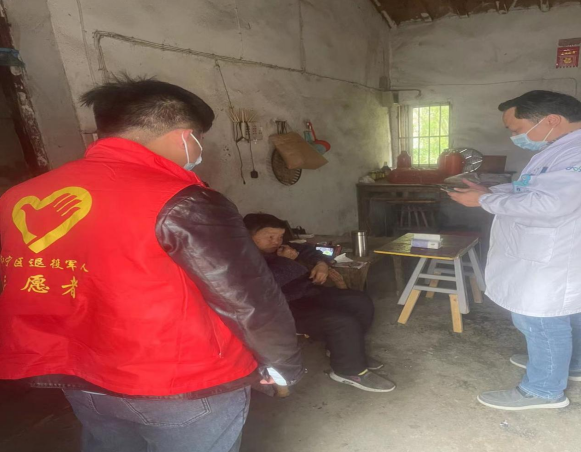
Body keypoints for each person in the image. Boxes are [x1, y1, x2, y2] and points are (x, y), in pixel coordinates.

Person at [0, 76, 304, 452]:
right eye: (200, 138)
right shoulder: (183, 200)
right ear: (184, 136)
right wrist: (283, 366)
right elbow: (247, 299)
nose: (198, 149)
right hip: (178, 383)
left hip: (81, 377)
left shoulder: (18, 196)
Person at [449, 90, 581, 411]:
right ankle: (568, 364)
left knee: (540, 318)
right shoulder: (562, 148)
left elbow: (551, 204)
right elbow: (533, 187)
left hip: (554, 254)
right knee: (565, 314)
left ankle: (544, 389)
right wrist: (491, 190)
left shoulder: (575, 154)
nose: (515, 137)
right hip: (551, 250)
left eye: (517, 129)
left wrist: (484, 200)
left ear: (552, 120)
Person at [243, 213, 395, 393]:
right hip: (279, 310)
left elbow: (309, 250)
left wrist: (321, 263)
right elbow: (264, 288)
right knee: (342, 322)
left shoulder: (280, 248)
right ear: (248, 235)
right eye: (270, 236)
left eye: (280, 236)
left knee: (359, 301)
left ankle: (346, 352)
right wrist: (286, 262)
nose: (276, 241)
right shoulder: (242, 259)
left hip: (307, 295)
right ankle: (348, 371)